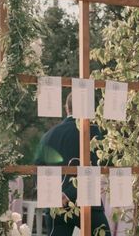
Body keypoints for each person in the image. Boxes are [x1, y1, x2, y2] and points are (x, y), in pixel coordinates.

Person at [35, 93, 110, 236]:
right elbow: (95, 167)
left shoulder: (48, 135)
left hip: (55, 203)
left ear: (66, 108)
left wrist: (55, 195)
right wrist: (69, 194)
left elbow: (38, 169)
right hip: (87, 200)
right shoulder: (93, 132)